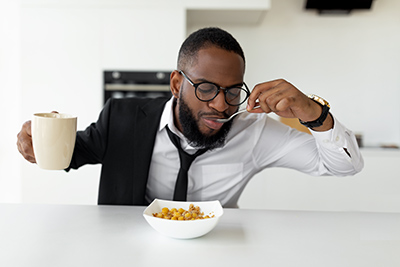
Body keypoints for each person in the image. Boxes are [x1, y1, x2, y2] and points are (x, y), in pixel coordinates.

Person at [17, 27, 363, 208]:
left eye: (232, 91)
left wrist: (314, 114)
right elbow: (77, 151)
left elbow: (344, 165)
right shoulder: (123, 116)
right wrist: (38, 145)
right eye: (207, 88)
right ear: (177, 83)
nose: (221, 105)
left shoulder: (254, 131)